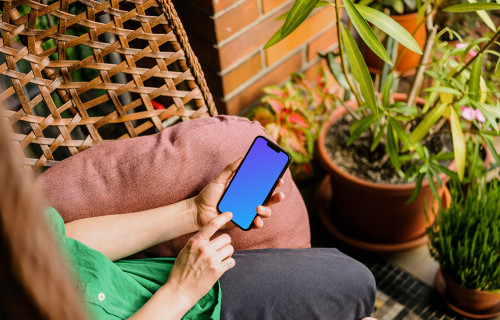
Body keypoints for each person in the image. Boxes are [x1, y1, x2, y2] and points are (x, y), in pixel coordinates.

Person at [0, 118, 377, 319]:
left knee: (345, 276)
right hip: (180, 299)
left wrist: (191, 212)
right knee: (355, 287)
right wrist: (179, 292)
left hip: (174, 285)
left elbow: (62, 242)